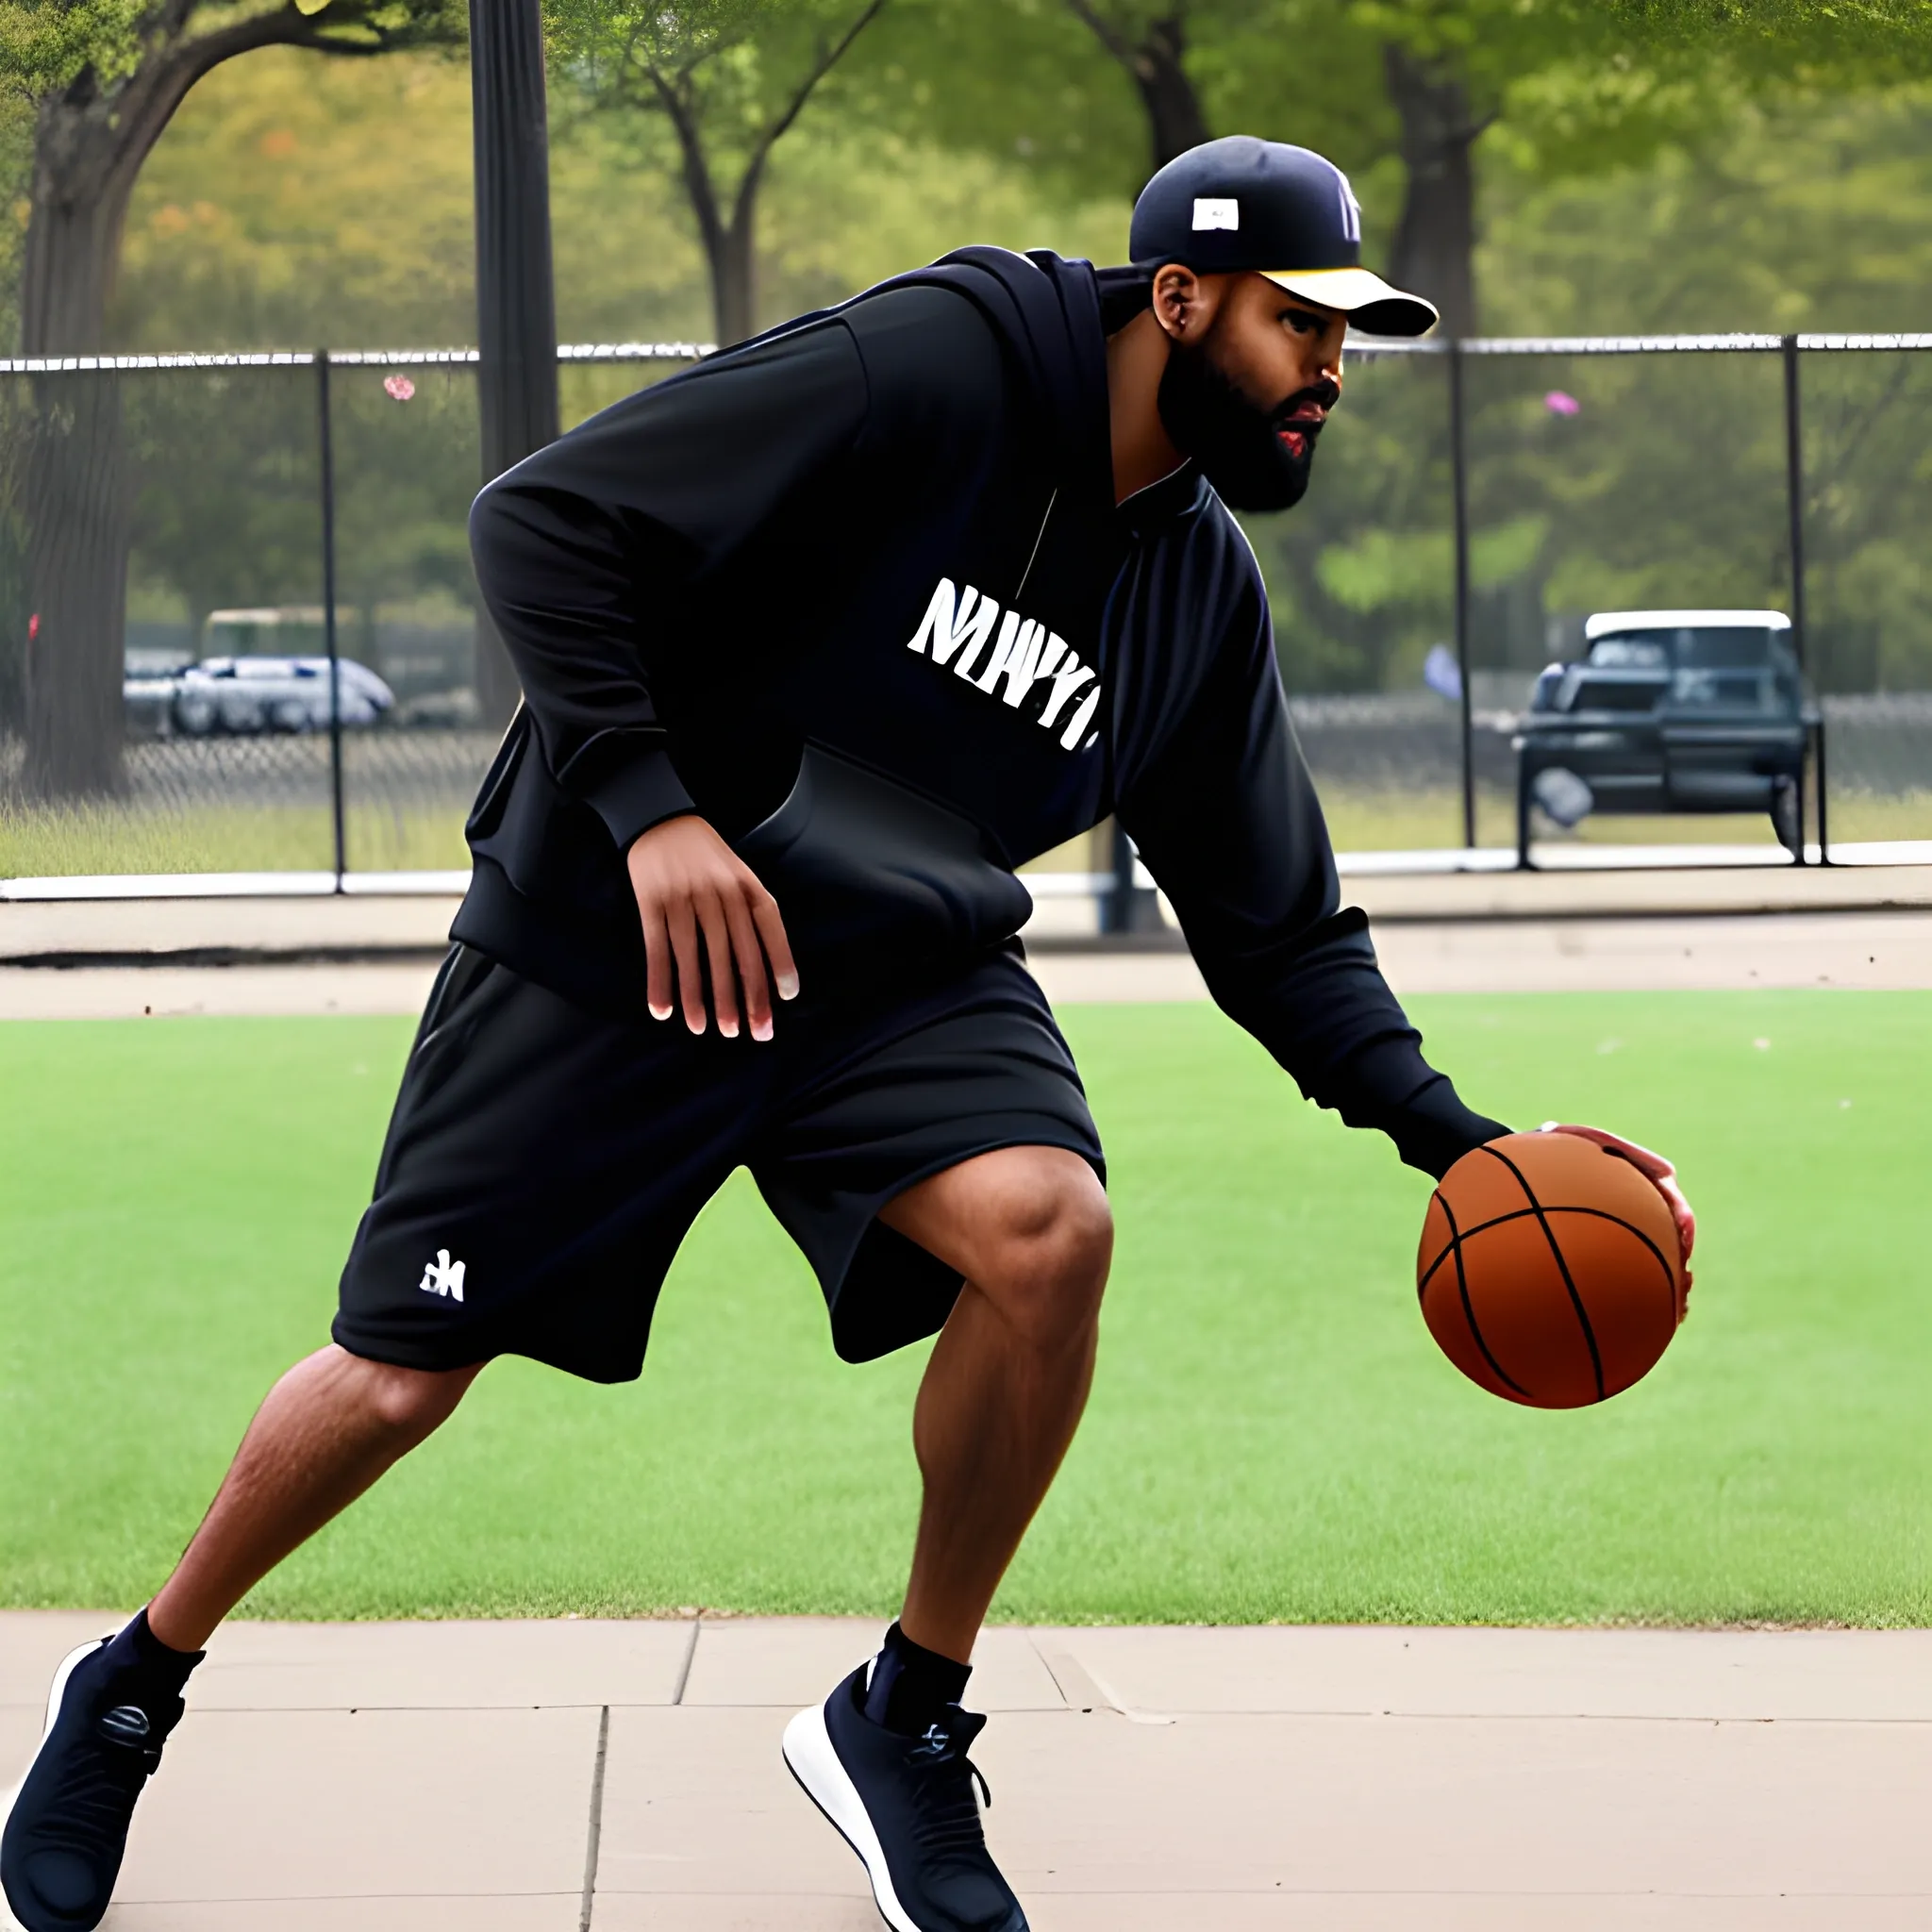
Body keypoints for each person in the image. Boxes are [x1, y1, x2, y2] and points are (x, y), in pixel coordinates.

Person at [0, 136, 1694, 1932]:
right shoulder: (937, 368)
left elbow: (1275, 929)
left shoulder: (1197, 598)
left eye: (1352, 338)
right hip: (618, 936)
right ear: (1181, 300)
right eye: (1299, 326)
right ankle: (132, 1682)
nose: (1331, 373)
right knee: (398, 1374)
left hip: (891, 966)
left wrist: (1468, 1142)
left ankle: (905, 1714)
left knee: (1053, 1234)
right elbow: (543, 522)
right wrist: (655, 813)